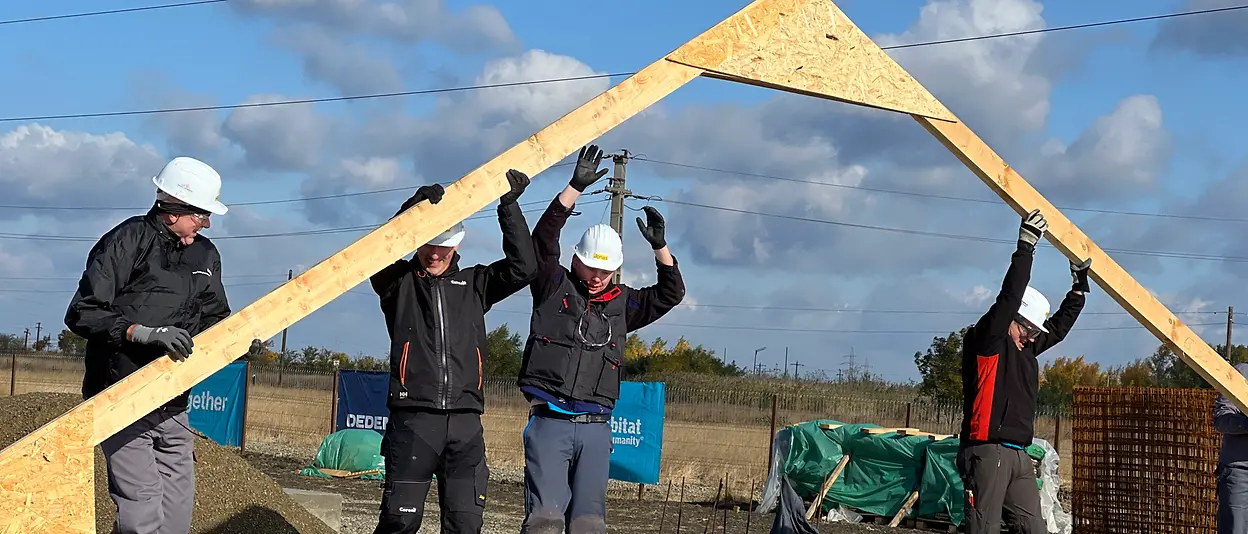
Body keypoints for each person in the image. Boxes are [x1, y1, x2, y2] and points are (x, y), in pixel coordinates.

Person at [518, 144, 686, 534]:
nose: (596, 277)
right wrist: (573, 188)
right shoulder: (552, 286)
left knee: (589, 522)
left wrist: (660, 248)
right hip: (550, 421)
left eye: (605, 271)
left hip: (596, 426)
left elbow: (670, 294)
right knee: (545, 518)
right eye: (591, 267)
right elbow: (543, 239)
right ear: (576, 260)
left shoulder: (624, 305)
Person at [64, 156, 232, 534]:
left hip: (173, 402)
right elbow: (82, 312)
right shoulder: (127, 241)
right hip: (121, 396)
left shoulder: (205, 255)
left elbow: (215, 317)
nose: (205, 223)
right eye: (201, 215)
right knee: (142, 510)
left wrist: (238, 340)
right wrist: (141, 333)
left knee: (176, 513)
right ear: (172, 209)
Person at [368, 169, 537, 534]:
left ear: (457, 244)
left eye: (443, 246)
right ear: (417, 243)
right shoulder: (397, 283)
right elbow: (375, 252)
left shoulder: (475, 283)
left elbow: (524, 268)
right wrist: (410, 212)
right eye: (428, 244)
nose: (435, 254)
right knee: (400, 521)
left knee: (465, 525)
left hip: (465, 422)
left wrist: (509, 207)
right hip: (414, 420)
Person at [957, 208, 1088, 534]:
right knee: (983, 527)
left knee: (1034, 528)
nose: (1032, 336)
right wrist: (1026, 246)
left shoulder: (1026, 347)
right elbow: (1009, 296)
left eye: (1034, 331)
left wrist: (1079, 288)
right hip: (987, 451)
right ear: (1011, 319)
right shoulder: (987, 341)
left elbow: (1057, 328)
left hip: (1019, 454)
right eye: (1027, 328)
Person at [1214, 363, 1248, 534]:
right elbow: (1221, 418)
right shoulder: (1241, 373)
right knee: (1235, 529)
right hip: (1240, 471)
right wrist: (1245, 423)